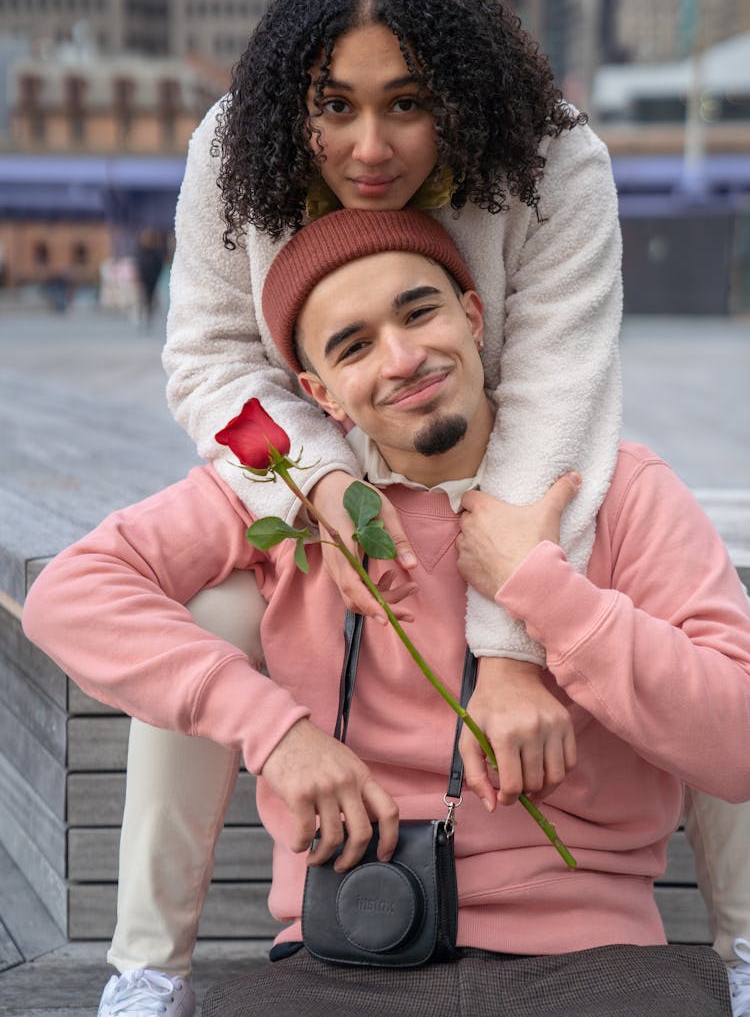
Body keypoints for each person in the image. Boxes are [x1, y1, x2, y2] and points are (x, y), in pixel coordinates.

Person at [22, 208, 750, 1016]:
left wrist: (548, 598)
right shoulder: (290, 498)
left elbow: (737, 741)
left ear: (474, 317)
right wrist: (277, 733)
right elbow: (67, 595)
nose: (403, 359)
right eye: (355, 345)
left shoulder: (620, 490)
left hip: (597, 958)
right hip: (345, 949)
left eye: (419, 312)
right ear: (319, 393)